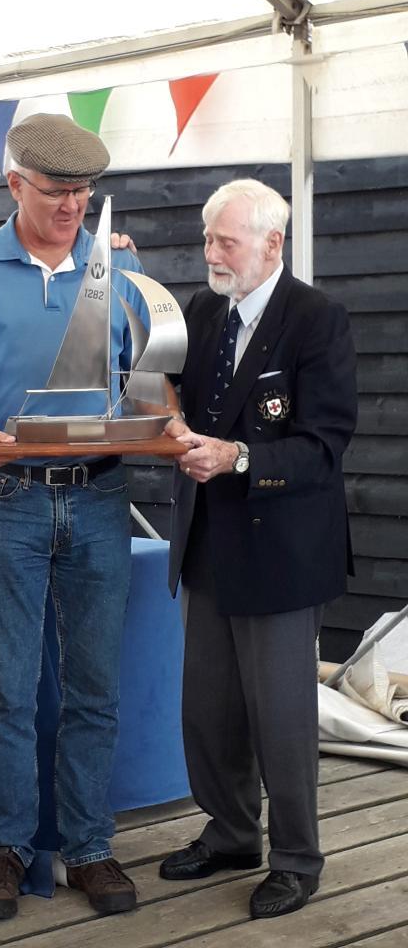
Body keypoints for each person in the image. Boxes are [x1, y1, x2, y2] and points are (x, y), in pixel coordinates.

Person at [0, 113, 164, 921]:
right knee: (6, 688)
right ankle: (7, 848)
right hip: (6, 501)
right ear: (15, 183)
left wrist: (164, 422)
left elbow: (152, 383)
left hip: (100, 496)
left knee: (96, 687)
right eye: (57, 191)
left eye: (85, 194)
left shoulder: (114, 270)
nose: (73, 208)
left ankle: (90, 847)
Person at [160, 178, 357, 919]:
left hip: (280, 553)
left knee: (282, 716)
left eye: (226, 242)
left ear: (272, 244)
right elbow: (161, 384)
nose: (210, 253)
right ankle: (233, 832)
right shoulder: (205, 308)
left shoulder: (318, 318)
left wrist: (240, 457)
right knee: (207, 709)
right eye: (207, 238)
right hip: (208, 542)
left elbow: (324, 445)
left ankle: (299, 858)